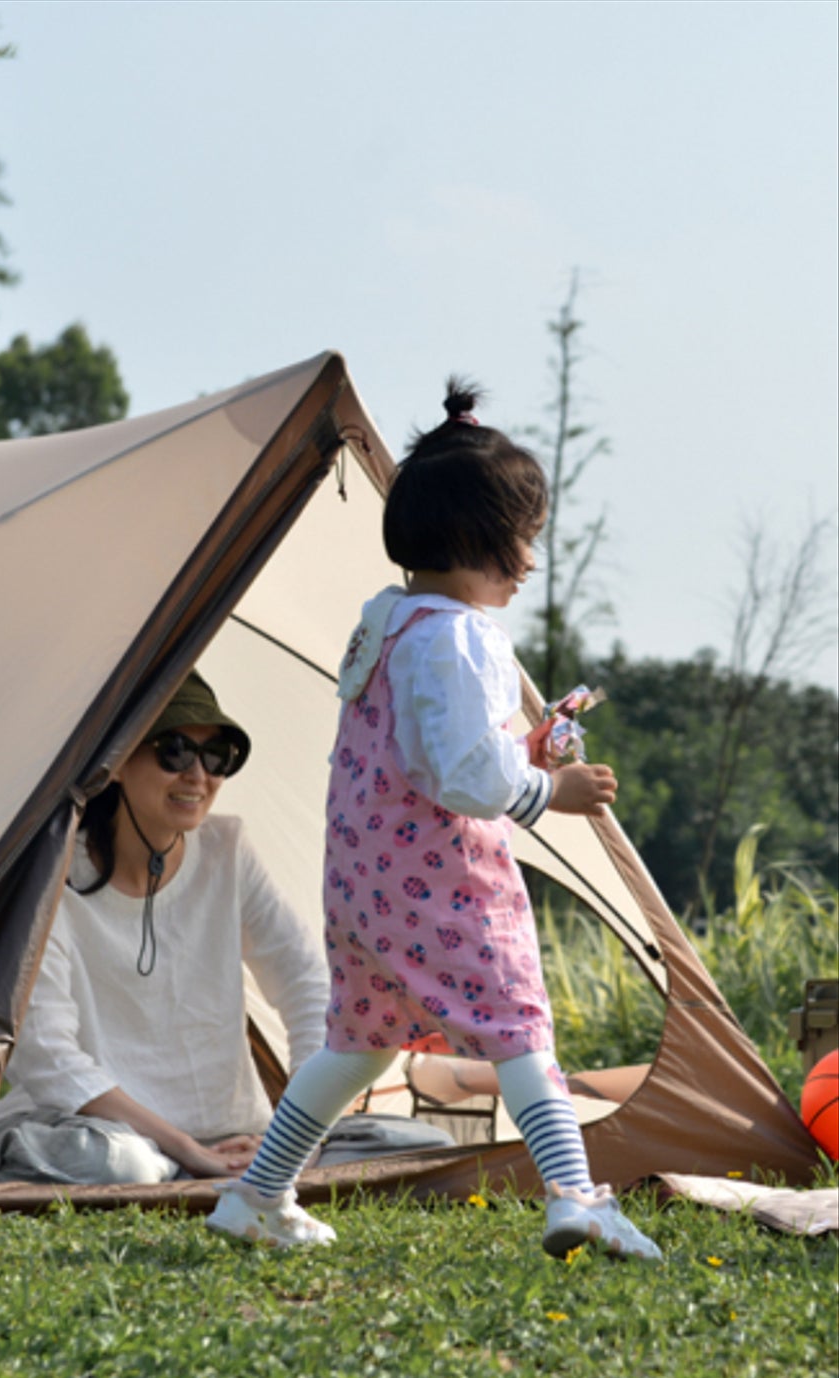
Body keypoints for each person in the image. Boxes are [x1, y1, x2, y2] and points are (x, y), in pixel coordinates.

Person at [206, 378, 662, 1261]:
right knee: (518, 1027)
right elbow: (456, 773)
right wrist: (549, 792)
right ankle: (573, 1194)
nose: (529, 561)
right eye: (523, 537)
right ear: (474, 537)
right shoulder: (460, 635)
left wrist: (519, 751)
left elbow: (419, 750)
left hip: (366, 882)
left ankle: (258, 1192)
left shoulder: (387, 623)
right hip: (443, 880)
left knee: (357, 1043)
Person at [0, 671, 338, 1184]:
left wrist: (298, 1132)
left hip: (229, 1131)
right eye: (175, 751)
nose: (199, 775)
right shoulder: (51, 874)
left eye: (218, 757)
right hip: (101, 1130)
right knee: (122, 1165)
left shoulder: (228, 850)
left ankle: (182, 1166)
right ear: (118, 762)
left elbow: (309, 985)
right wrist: (184, 1149)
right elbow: (46, 1054)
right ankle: (49, 1158)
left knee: (407, 1142)